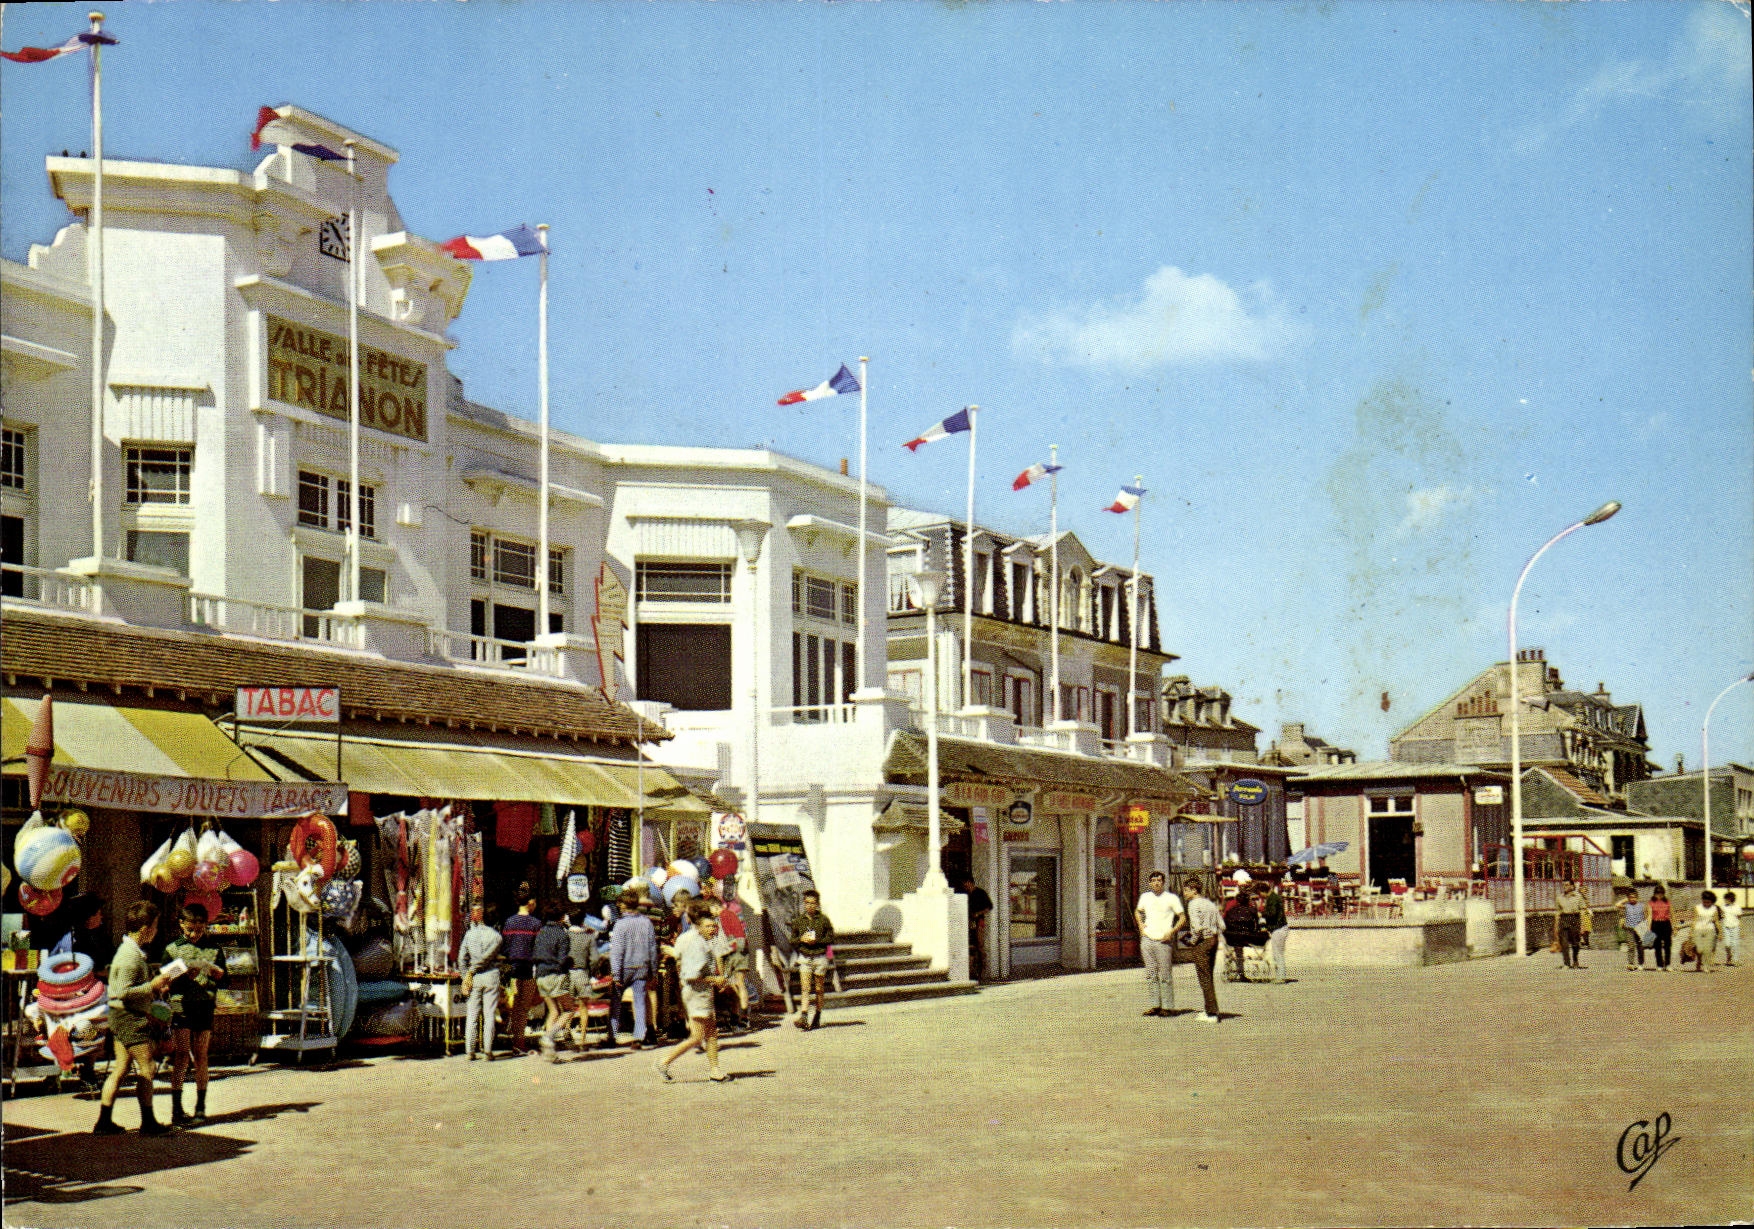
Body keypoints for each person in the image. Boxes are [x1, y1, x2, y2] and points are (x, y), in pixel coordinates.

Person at [93, 901, 175, 1135]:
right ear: (145, 928)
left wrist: (155, 987)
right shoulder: (130, 956)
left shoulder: (130, 952)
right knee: (147, 1067)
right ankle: (148, 1123)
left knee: (121, 1068)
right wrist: (153, 985)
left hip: (122, 1016)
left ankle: (104, 1121)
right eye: (155, 926)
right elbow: (124, 991)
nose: (156, 931)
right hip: (130, 1017)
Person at [162, 902, 225, 1125]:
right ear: (181, 924)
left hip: (204, 1005)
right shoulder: (172, 948)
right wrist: (181, 975)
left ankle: (200, 1107)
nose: (194, 933)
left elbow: (223, 977)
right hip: (182, 1005)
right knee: (181, 1055)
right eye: (190, 929)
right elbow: (164, 981)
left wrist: (217, 973)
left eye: (199, 928)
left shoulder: (214, 948)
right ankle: (177, 1109)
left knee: (201, 1056)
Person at [654, 903, 728, 1083]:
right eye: (708, 926)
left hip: (695, 992)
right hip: (697, 992)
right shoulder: (698, 944)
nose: (712, 929)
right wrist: (715, 980)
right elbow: (694, 975)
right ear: (699, 925)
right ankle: (664, 1062)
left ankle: (715, 1071)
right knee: (697, 1036)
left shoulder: (686, 938)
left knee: (711, 1031)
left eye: (713, 925)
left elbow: (677, 956)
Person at [609, 890, 658, 1050]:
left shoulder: (620, 924)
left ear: (623, 906)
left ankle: (612, 1035)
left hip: (624, 967)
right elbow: (652, 948)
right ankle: (638, 1036)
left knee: (616, 1002)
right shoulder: (647, 922)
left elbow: (617, 951)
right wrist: (653, 970)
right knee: (639, 1002)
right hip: (642, 966)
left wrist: (615, 973)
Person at [1133, 871, 1183, 1017]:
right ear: (1149, 883)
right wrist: (1141, 926)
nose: (1156, 883)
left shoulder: (1171, 898)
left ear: (1163, 882)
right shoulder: (1145, 897)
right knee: (1150, 974)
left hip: (1163, 940)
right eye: (1153, 880)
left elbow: (1182, 918)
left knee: (1165, 975)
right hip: (1147, 939)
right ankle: (1155, 1005)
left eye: (1159, 880)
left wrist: (1172, 932)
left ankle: (1167, 1007)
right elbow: (1138, 911)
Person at [457, 902, 503, 1060]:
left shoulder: (469, 935)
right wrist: (469, 973)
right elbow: (486, 959)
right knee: (489, 1014)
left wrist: (466, 976)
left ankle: (470, 1051)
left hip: (474, 978)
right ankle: (488, 1050)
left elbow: (461, 958)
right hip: (491, 976)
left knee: (472, 1014)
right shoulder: (496, 937)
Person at [500, 894, 542, 1055]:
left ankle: (516, 1039)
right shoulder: (535, 923)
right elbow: (537, 948)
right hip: (528, 967)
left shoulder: (509, 922)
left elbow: (505, 946)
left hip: (513, 968)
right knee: (523, 1006)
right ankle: (519, 1042)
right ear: (530, 902)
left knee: (515, 1004)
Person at [788, 889, 835, 1031]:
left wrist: (818, 941)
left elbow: (831, 937)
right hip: (805, 957)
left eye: (813, 903)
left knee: (819, 989)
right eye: (807, 903)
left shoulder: (823, 920)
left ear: (817, 904)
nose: (810, 906)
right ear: (804, 903)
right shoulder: (798, 921)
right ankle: (803, 1016)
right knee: (805, 988)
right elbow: (792, 940)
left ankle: (817, 1015)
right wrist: (801, 939)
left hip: (820, 957)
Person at [531, 902, 574, 1060]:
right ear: (562, 917)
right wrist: (571, 961)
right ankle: (548, 1037)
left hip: (541, 975)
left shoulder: (541, 932)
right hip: (556, 975)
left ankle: (549, 1051)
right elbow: (563, 960)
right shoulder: (562, 934)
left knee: (553, 1011)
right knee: (569, 1010)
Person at [1177, 878, 1223, 1022]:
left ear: (1194, 890)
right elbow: (1222, 924)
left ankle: (1211, 1013)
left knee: (1204, 977)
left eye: (1186, 890)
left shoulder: (1193, 904)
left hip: (1202, 942)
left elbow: (1196, 928)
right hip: (1213, 940)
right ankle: (1210, 1008)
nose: (1184, 893)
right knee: (1208, 976)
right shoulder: (1209, 903)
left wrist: (1193, 940)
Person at [959, 875, 994, 982]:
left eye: (966, 884)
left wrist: (978, 913)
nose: (966, 887)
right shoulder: (966, 895)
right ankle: (971, 971)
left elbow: (989, 907)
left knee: (979, 945)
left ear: (970, 883)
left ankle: (982, 969)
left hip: (979, 921)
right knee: (970, 946)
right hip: (969, 922)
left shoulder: (980, 893)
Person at [1261, 882, 1291, 983]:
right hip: (1280, 928)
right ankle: (1280, 975)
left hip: (1278, 928)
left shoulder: (1272, 899)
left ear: (1263, 891)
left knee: (1277, 953)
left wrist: (1262, 913)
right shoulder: (1274, 897)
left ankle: (1281, 977)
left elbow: (1272, 913)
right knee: (1278, 953)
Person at [1555, 880, 1586, 969]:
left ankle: (1575, 960)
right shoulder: (1559, 898)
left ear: (1572, 886)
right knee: (1564, 943)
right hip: (1563, 919)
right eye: (1563, 885)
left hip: (1575, 919)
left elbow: (1583, 911)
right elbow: (1558, 913)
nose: (1564, 886)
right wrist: (1556, 926)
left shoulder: (1578, 897)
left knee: (1575, 943)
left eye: (1567, 885)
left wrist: (1582, 925)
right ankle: (1566, 963)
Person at [1691, 889, 1723, 973]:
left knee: (1708, 949)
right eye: (1705, 902)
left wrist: (1720, 933)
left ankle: (1706, 966)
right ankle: (1699, 961)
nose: (1707, 904)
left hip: (1710, 930)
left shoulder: (1714, 908)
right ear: (1702, 900)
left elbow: (1716, 921)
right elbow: (1694, 920)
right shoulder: (1697, 907)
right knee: (1699, 949)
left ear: (1712, 901)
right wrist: (1691, 932)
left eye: (1709, 902)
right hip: (1698, 929)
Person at [1648, 884, 1674, 971]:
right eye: (1657, 893)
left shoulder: (1667, 902)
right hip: (1656, 924)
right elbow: (1649, 916)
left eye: (1661, 893)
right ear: (1654, 894)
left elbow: (1672, 915)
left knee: (1667, 945)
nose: (1659, 895)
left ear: (1663, 894)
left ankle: (1667, 964)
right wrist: (1649, 928)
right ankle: (1659, 964)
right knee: (1657, 945)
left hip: (1666, 924)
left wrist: (1675, 926)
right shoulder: (1651, 903)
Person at [1620, 888, 1647, 972]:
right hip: (1629, 928)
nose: (1633, 899)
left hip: (1639, 929)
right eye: (1631, 897)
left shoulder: (1641, 905)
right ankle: (1631, 963)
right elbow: (1617, 904)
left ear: (1637, 897)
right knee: (1631, 946)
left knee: (1640, 947)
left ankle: (1641, 964)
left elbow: (1646, 916)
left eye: (1634, 897)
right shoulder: (1627, 905)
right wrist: (1626, 899)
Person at [1720, 890, 1742, 967]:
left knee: (1735, 944)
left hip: (1735, 927)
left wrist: (1741, 930)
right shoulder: (1723, 907)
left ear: (1731, 899)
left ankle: (1736, 960)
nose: (1725, 901)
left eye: (1726, 899)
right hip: (1726, 927)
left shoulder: (1737, 907)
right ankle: (1729, 956)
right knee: (1727, 944)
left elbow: (1739, 917)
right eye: (1725, 899)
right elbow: (1721, 917)